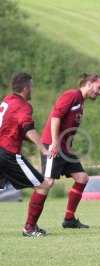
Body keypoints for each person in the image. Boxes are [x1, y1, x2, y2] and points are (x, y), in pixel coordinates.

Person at [40, 73, 100, 229]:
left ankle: (69, 219)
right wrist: (55, 142)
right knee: (47, 183)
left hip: (65, 148)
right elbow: (55, 117)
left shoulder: (80, 101)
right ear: (89, 84)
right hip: (53, 144)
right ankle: (30, 225)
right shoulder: (72, 95)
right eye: (99, 87)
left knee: (82, 178)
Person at [0, 73, 52, 237]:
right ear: (26, 87)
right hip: (7, 153)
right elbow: (27, 129)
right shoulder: (23, 106)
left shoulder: (7, 100)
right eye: (31, 86)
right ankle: (30, 228)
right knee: (43, 185)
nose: (32, 90)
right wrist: (44, 149)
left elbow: (14, 130)